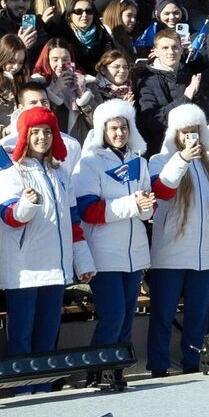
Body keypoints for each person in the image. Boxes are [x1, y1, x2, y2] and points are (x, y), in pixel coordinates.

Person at [0, 105, 94, 371]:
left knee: (47, 336)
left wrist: (83, 263)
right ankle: (22, 388)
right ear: (25, 135)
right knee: (21, 336)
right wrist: (26, 205)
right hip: (24, 269)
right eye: (36, 132)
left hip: (55, 269)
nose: (42, 137)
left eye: (47, 132)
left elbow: (73, 223)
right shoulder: (12, 171)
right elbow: (8, 216)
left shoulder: (60, 172)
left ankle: (44, 385)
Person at [147, 103, 209, 377]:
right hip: (171, 251)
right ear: (175, 135)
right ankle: (158, 365)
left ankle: (193, 363)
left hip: (205, 252)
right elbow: (162, 192)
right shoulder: (158, 161)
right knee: (163, 314)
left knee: (198, 314)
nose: (191, 137)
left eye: (195, 132)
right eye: (185, 132)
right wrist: (182, 160)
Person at [74, 99, 154, 350]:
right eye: (113, 128)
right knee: (113, 316)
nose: (120, 133)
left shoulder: (139, 162)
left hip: (134, 253)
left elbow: (147, 208)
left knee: (128, 316)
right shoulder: (89, 163)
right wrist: (132, 204)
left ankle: (118, 369)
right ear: (102, 131)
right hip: (104, 255)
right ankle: (96, 371)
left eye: (124, 127)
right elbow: (88, 210)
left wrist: (146, 206)